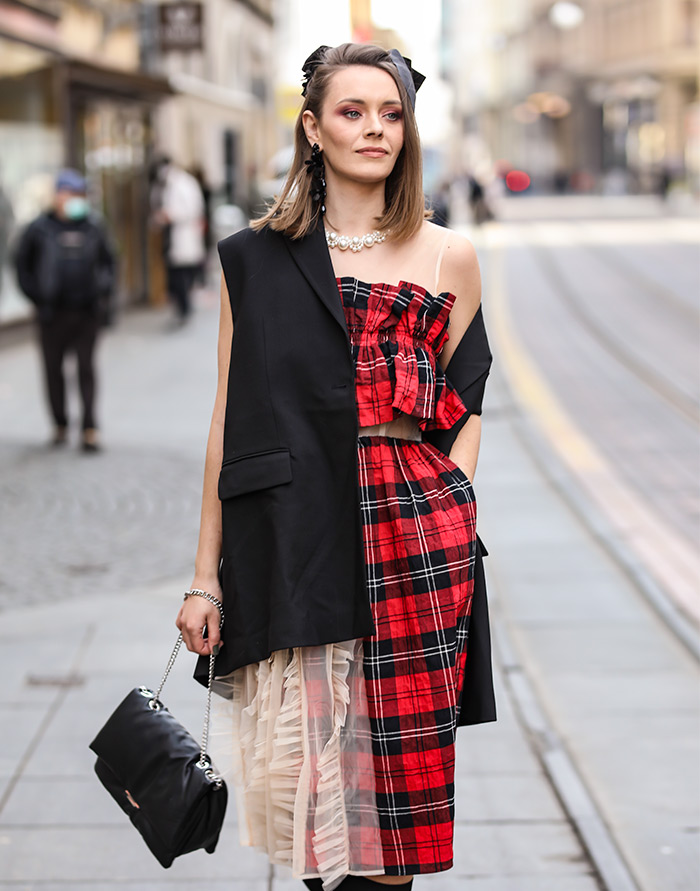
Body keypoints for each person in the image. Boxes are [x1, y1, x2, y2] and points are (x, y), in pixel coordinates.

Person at [176, 43, 496, 890]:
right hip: (300, 536)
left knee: (398, 818)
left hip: (416, 544)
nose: (375, 129)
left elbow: (466, 406)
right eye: (352, 112)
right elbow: (227, 418)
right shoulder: (254, 257)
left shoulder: (447, 255)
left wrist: (456, 502)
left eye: (391, 113)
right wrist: (205, 577)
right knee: (320, 811)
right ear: (312, 128)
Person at [14, 168, 114, 451]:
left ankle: (89, 428)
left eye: (80, 194)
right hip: (51, 313)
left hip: (86, 312)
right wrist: (37, 296)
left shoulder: (94, 226)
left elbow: (109, 262)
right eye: (70, 193)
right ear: (57, 195)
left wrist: (103, 292)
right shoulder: (39, 229)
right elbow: (22, 265)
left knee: (86, 369)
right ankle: (59, 424)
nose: (75, 199)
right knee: (53, 370)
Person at [153, 158, 206, 323]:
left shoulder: (182, 184)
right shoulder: (174, 184)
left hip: (183, 235)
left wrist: (169, 215)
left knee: (181, 274)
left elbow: (191, 209)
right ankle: (183, 307)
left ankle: (185, 308)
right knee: (179, 272)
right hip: (177, 236)